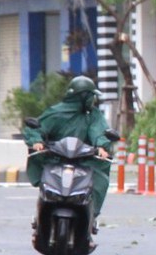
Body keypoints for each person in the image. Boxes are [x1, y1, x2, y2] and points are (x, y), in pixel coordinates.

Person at [22, 75, 114, 224]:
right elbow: (38, 128)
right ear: (82, 96)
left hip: (84, 160)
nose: (93, 100)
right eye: (91, 96)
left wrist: (102, 146)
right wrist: (37, 141)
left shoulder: (93, 116)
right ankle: (41, 215)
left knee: (100, 180)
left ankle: (91, 217)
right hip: (56, 159)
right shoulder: (56, 113)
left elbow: (98, 131)